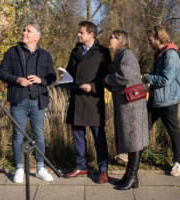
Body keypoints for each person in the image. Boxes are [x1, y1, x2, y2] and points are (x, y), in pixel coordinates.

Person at [0, 22, 56, 183]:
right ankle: (19, 169)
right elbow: (1, 72)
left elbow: (52, 77)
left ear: (36, 37)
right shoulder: (12, 52)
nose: (24, 33)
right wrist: (16, 79)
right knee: (18, 136)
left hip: (38, 101)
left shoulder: (45, 55)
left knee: (39, 136)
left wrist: (41, 80)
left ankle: (40, 168)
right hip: (19, 100)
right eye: (24, 30)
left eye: (28, 31)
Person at [63, 21, 111, 184]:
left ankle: (103, 169)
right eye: (79, 32)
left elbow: (106, 76)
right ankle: (80, 165)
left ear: (91, 34)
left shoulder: (102, 52)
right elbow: (70, 70)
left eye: (81, 32)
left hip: (93, 100)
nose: (78, 34)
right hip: (76, 97)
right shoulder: (75, 50)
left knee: (98, 136)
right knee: (77, 135)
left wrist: (92, 86)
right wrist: (65, 78)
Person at [104, 30, 149, 190]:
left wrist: (109, 78)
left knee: (134, 139)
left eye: (113, 37)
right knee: (132, 139)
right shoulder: (120, 55)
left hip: (132, 105)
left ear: (121, 40)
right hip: (127, 104)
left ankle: (131, 176)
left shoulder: (126, 54)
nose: (109, 39)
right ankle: (131, 177)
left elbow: (127, 75)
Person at [142, 25, 180, 176]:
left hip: (168, 101)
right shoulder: (159, 54)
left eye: (150, 40)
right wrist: (149, 80)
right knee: (142, 127)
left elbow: (166, 79)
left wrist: (147, 77)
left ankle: (178, 163)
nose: (148, 43)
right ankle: (134, 157)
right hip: (155, 99)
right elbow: (157, 74)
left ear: (158, 39)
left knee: (173, 132)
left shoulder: (170, 55)